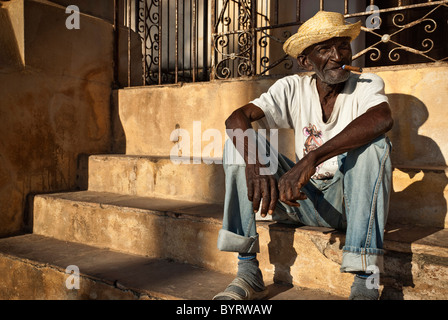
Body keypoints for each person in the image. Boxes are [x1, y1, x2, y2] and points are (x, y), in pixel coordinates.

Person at [213, 11, 394, 300]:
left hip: (348, 203)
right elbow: (237, 119)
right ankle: (247, 271)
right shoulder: (292, 88)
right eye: (325, 49)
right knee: (238, 143)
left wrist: (310, 160)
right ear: (306, 60)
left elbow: (383, 119)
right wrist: (256, 165)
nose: (337, 56)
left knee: (376, 146)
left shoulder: (366, 84)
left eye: (343, 46)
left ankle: (365, 284)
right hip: (299, 200)